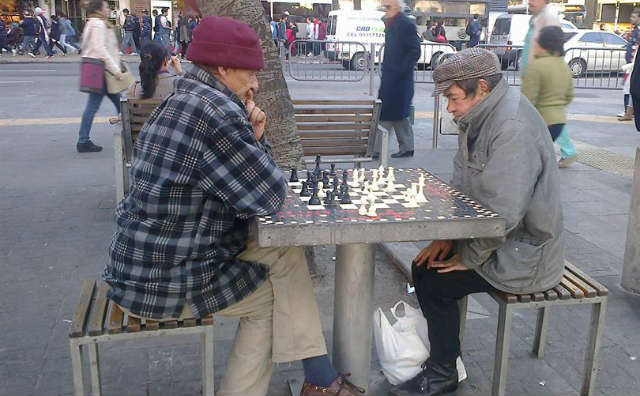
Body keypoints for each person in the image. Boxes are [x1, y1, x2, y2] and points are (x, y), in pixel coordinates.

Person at [104, 15, 364, 396]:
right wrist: (258, 140)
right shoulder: (217, 113)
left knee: (284, 254)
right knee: (272, 301)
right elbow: (270, 196)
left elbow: (240, 194)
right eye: (250, 73)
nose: (257, 83)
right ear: (223, 68)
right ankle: (312, 383)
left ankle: (321, 380)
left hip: (139, 262)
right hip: (165, 281)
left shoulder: (179, 97)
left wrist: (253, 138)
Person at [393, 48, 564, 396]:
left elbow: (503, 215)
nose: (450, 108)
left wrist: (467, 256)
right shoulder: (482, 116)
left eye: (454, 98)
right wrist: (448, 237)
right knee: (425, 263)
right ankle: (445, 359)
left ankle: (443, 371)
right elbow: (463, 187)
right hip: (501, 238)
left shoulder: (511, 127)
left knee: (433, 281)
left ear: (482, 88)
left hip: (525, 253)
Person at [520, 0, 577, 168]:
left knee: (533, 155)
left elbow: (528, 100)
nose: (530, 2)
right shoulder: (537, 18)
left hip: (542, 105)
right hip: (555, 113)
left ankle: (566, 154)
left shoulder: (549, 18)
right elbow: (569, 94)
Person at [76, 0, 124, 153]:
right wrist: (115, 70)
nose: (108, 9)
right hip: (101, 70)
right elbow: (100, 49)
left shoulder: (93, 22)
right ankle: (83, 141)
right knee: (112, 104)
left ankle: (83, 140)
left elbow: (85, 45)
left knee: (119, 102)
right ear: (98, 9)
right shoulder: (98, 24)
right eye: (106, 7)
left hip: (98, 68)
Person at [375, 0, 421, 159]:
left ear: (397, 8)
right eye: (384, 7)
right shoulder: (392, 23)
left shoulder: (405, 24)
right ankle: (402, 147)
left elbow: (415, 50)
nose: (385, 10)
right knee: (393, 114)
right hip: (392, 77)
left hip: (399, 79)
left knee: (392, 114)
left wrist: (400, 70)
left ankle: (378, 149)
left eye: (388, 7)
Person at [522, 26, 574, 145]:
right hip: (559, 122)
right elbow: (569, 95)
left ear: (541, 45)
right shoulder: (564, 65)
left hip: (541, 122)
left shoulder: (536, 67)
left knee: (531, 159)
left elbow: (527, 101)